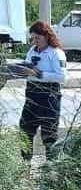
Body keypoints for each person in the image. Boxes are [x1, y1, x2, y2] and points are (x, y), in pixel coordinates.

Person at [18, 20, 66, 159]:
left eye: (37, 38)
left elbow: (62, 76)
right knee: (25, 133)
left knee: (49, 137)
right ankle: (25, 168)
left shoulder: (56, 53)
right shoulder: (32, 50)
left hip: (49, 99)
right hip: (32, 98)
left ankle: (50, 171)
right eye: (32, 38)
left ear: (46, 36)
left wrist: (38, 74)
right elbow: (27, 67)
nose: (34, 41)